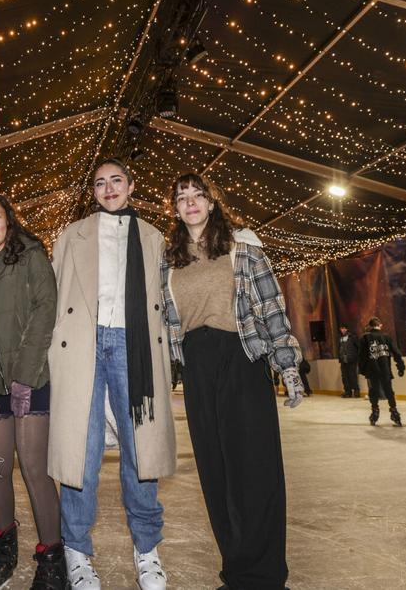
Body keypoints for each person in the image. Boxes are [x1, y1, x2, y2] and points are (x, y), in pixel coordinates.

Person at [162, 173, 303, 589]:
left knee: (254, 468)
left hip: (241, 357)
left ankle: (266, 576)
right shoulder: (168, 260)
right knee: (216, 471)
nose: (190, 203)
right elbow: (160, 321)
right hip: (198, 366)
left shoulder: (243, 248)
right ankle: (237, 572)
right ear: (175, 207)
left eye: (197, 195)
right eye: (182, 197)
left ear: (211, 202)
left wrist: (288, 364)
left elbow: (271, 305)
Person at [48, 158, 175, 590]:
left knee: (141, 452)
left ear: (131, 185)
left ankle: (147, 551)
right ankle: (77, 553)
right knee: (80, 454)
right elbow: (55, 295)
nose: (108, 188)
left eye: (116, 180)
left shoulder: (154, 237)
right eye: (100, 183)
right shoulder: (71, 234)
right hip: (83, 344)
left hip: (133, 346)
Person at [0, 193, 65, 590]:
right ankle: (4, 546)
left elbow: (45, 312)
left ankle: (53, 556)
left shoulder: (31, 257)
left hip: (30, 381)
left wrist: (23, 376)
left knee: (35, 470)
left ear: (9, 220)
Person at [358, 317, 404, 427]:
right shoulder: (386, 337)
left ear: (369, 326)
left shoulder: (365, 338)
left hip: (372, 369)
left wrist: (363, 370)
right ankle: (394, 411)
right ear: (380, 325)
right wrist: (400, 366)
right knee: (389, 391)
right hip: (385, 369)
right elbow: (396, 352)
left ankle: (375, 411)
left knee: (373, 391)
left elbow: (361, 356)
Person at [336, 325, 361, 398]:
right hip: (343, 360)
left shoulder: (352, 337)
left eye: (344, 328)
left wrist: (356, 357)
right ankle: (348, 392)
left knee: (353, 376)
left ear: (347, 329)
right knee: (344, 376)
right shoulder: (340, 338)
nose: (342, 330)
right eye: (341, 328)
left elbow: (358, 347)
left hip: (352, 360)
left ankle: (356, 391)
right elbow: (340, 348)